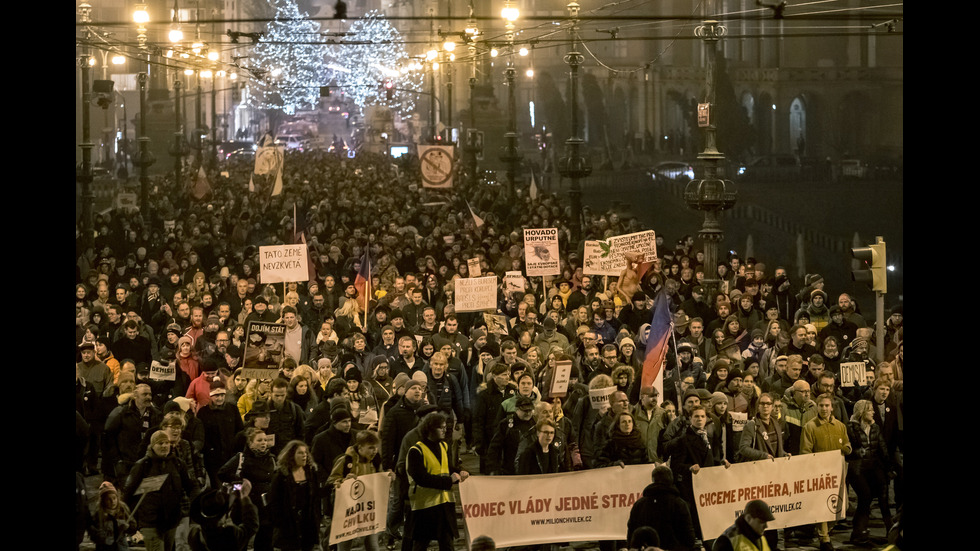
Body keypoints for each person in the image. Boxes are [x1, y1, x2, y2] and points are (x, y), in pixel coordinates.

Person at [122, 430, 200, 551]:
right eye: (160, 443)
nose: (164, 446)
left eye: (166, 442)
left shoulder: (178, 464)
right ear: (152, 446)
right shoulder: (143, 465)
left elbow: (191, 486)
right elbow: (128, 492)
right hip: (150, 522)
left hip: (171, 521)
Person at [405, 412, 469, 551]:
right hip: (425, 507)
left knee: (447, 544)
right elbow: (420, 477)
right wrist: (448, 481)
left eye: (445, 427)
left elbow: (446, 467)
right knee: (421, 544)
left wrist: (459, 472)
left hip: (444, 504)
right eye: (440, 427)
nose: (444, 430)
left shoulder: (444, 446)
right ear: (429, 429)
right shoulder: (416, 450)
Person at [800, 394, 852, 551]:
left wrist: (847, 449)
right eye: (821, 405)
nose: (824, 408)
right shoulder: (810, 427)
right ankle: (824, 538)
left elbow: (848, 443)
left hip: (837, 473)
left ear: (832, 407)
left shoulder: (840, 426)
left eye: (827, 406)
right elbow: (805, 451)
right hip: (819, 474)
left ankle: (825, 531)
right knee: (822, 507)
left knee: (843, 505)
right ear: (817, 406)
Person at [327, 430, 390, 551]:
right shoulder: (345, 461)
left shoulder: (376, 461)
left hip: (368, 511)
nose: (375, 451)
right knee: (345, 544)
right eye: (371, 448)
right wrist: (343, 481)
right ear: (360, 447)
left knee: (373, 545)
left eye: (376, 448)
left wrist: (388, 478)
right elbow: (331, 481)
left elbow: (379, 479)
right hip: (348, 512)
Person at [218, 427, 276, 551]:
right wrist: (240, 482)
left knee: (265, 540)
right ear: (250, 443)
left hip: (265, 506)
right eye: (259, 440)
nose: (263, 443)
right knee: (242, 540)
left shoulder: (271, 459)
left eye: (265, 440)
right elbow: (222, 473)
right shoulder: (241, 458)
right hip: (244, 505)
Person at [268, 440, 323, 551]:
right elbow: (274, 501)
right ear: (291, 455)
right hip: (288, 525)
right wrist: (279, 522)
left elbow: (317, 494)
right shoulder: (281, 476)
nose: (304, 456)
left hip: (308, 523)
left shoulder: (311, 472)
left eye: (306, 453)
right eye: (300, 453)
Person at [627, 465, 696, 551]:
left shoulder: (639, 504)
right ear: (671, 480)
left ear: (653, 480)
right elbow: (689, 539)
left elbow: (631, 537)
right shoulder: (679, 504)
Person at [710, 499, 776, 551]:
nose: (766, 526)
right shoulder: (726, 541)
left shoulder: (761, 536)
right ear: (748, 518)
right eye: (761, 522)